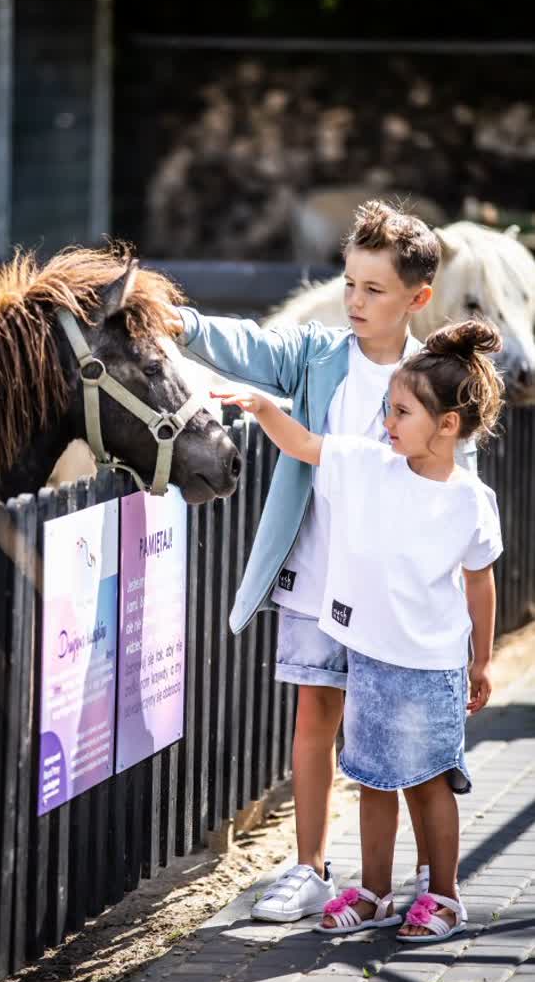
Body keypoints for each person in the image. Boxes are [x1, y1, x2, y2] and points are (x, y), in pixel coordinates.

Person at [172, 201, 477, 920]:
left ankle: (428, 887)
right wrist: (176, 322)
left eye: (373, 290)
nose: (354, 301)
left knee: (398, 739)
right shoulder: (316, 356)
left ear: (417, 298)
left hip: (395, 601)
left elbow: (454, 505)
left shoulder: (434, 382)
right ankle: (308, 868)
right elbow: (247, 344)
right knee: (315, 712)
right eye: (348, 284)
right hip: (316, 578)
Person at [212, 318, 503, 942]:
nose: (387, 421)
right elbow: (306, 444)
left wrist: (480, 664)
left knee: (427, 786)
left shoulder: (470, 501)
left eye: (399, 411)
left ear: (447, 426)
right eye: (385, 408)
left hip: (432, 670)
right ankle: (375, 892)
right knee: (371, 782)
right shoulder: (369, 464)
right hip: (367, 660)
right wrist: (262, 406)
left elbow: (480, 582)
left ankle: (445, 898)